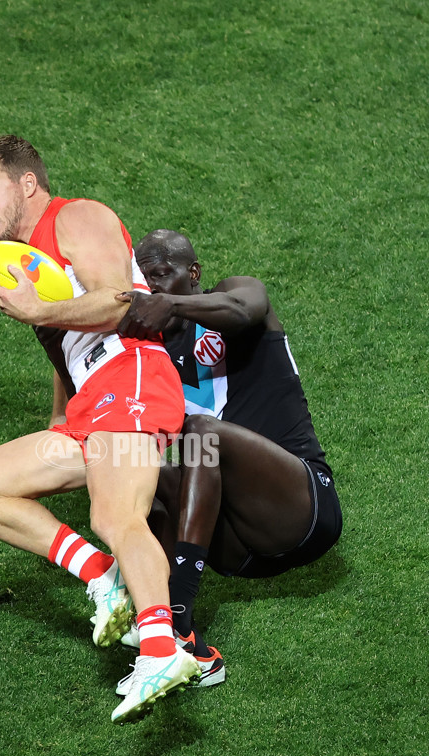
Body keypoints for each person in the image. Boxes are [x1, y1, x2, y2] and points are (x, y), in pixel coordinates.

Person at [0, 138, 200, 724]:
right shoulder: (26, 262)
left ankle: (163, 650)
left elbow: (119, 302)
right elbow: (71, 352)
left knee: (116, 517)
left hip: (133, 376)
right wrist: (61, 420)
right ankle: (102, 575)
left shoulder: (75, 217)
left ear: (26, 185)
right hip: (94, 402)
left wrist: (37, 312)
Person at [113, 229, 343, 694]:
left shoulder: (231, 293)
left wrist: (174, 307)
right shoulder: (151, 357)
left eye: (163, 275)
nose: (153, 287)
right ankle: (189, 651)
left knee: (202, 433)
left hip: (303, 508)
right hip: (236, 549)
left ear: (193, 273)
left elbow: (245, 309)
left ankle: (177, 617)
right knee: (129, 459)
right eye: (145, 279)